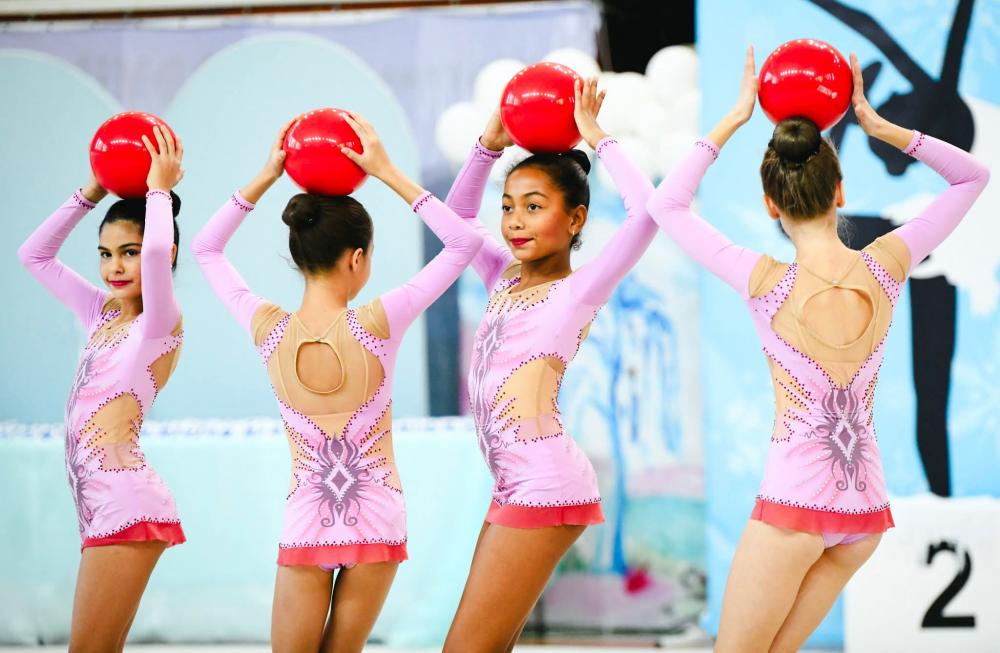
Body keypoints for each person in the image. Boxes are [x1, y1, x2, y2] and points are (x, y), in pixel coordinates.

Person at [645, 47, 989, 652]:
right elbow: (972, 176)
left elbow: (665, 205)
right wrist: (881, 127)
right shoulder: (887, 262)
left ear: (770, 203)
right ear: (840, 191)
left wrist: (734, 118)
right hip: (863, 513)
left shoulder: (763, 279)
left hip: (795, 504)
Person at [191, 114, 482, 653]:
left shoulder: (268, 327)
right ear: (358, 258)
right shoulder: (381, 320)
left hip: (308, 516)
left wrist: (267, 175)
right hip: (377, 513)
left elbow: (206, 248)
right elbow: (463, 244)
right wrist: (387, 171)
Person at [442, 78, 660, 652]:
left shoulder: (579, 289)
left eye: (534, 207)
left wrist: (598, 137)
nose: (514, 221)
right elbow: (457, 217)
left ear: (576, 219)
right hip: (514, 482)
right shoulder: (502, 275)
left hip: (544, 482)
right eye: (508, 207)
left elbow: (647, 214)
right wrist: (487, 146)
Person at [17, 126, 187, 652]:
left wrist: (158, 190)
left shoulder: (160, 322)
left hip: (125, 502)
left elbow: (157, 256)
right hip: (101, 507)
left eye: (128, 252)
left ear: (162, 252)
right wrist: (91, 190)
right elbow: (34, 255)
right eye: (105, 253)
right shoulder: (101, 313)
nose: (115, 266)